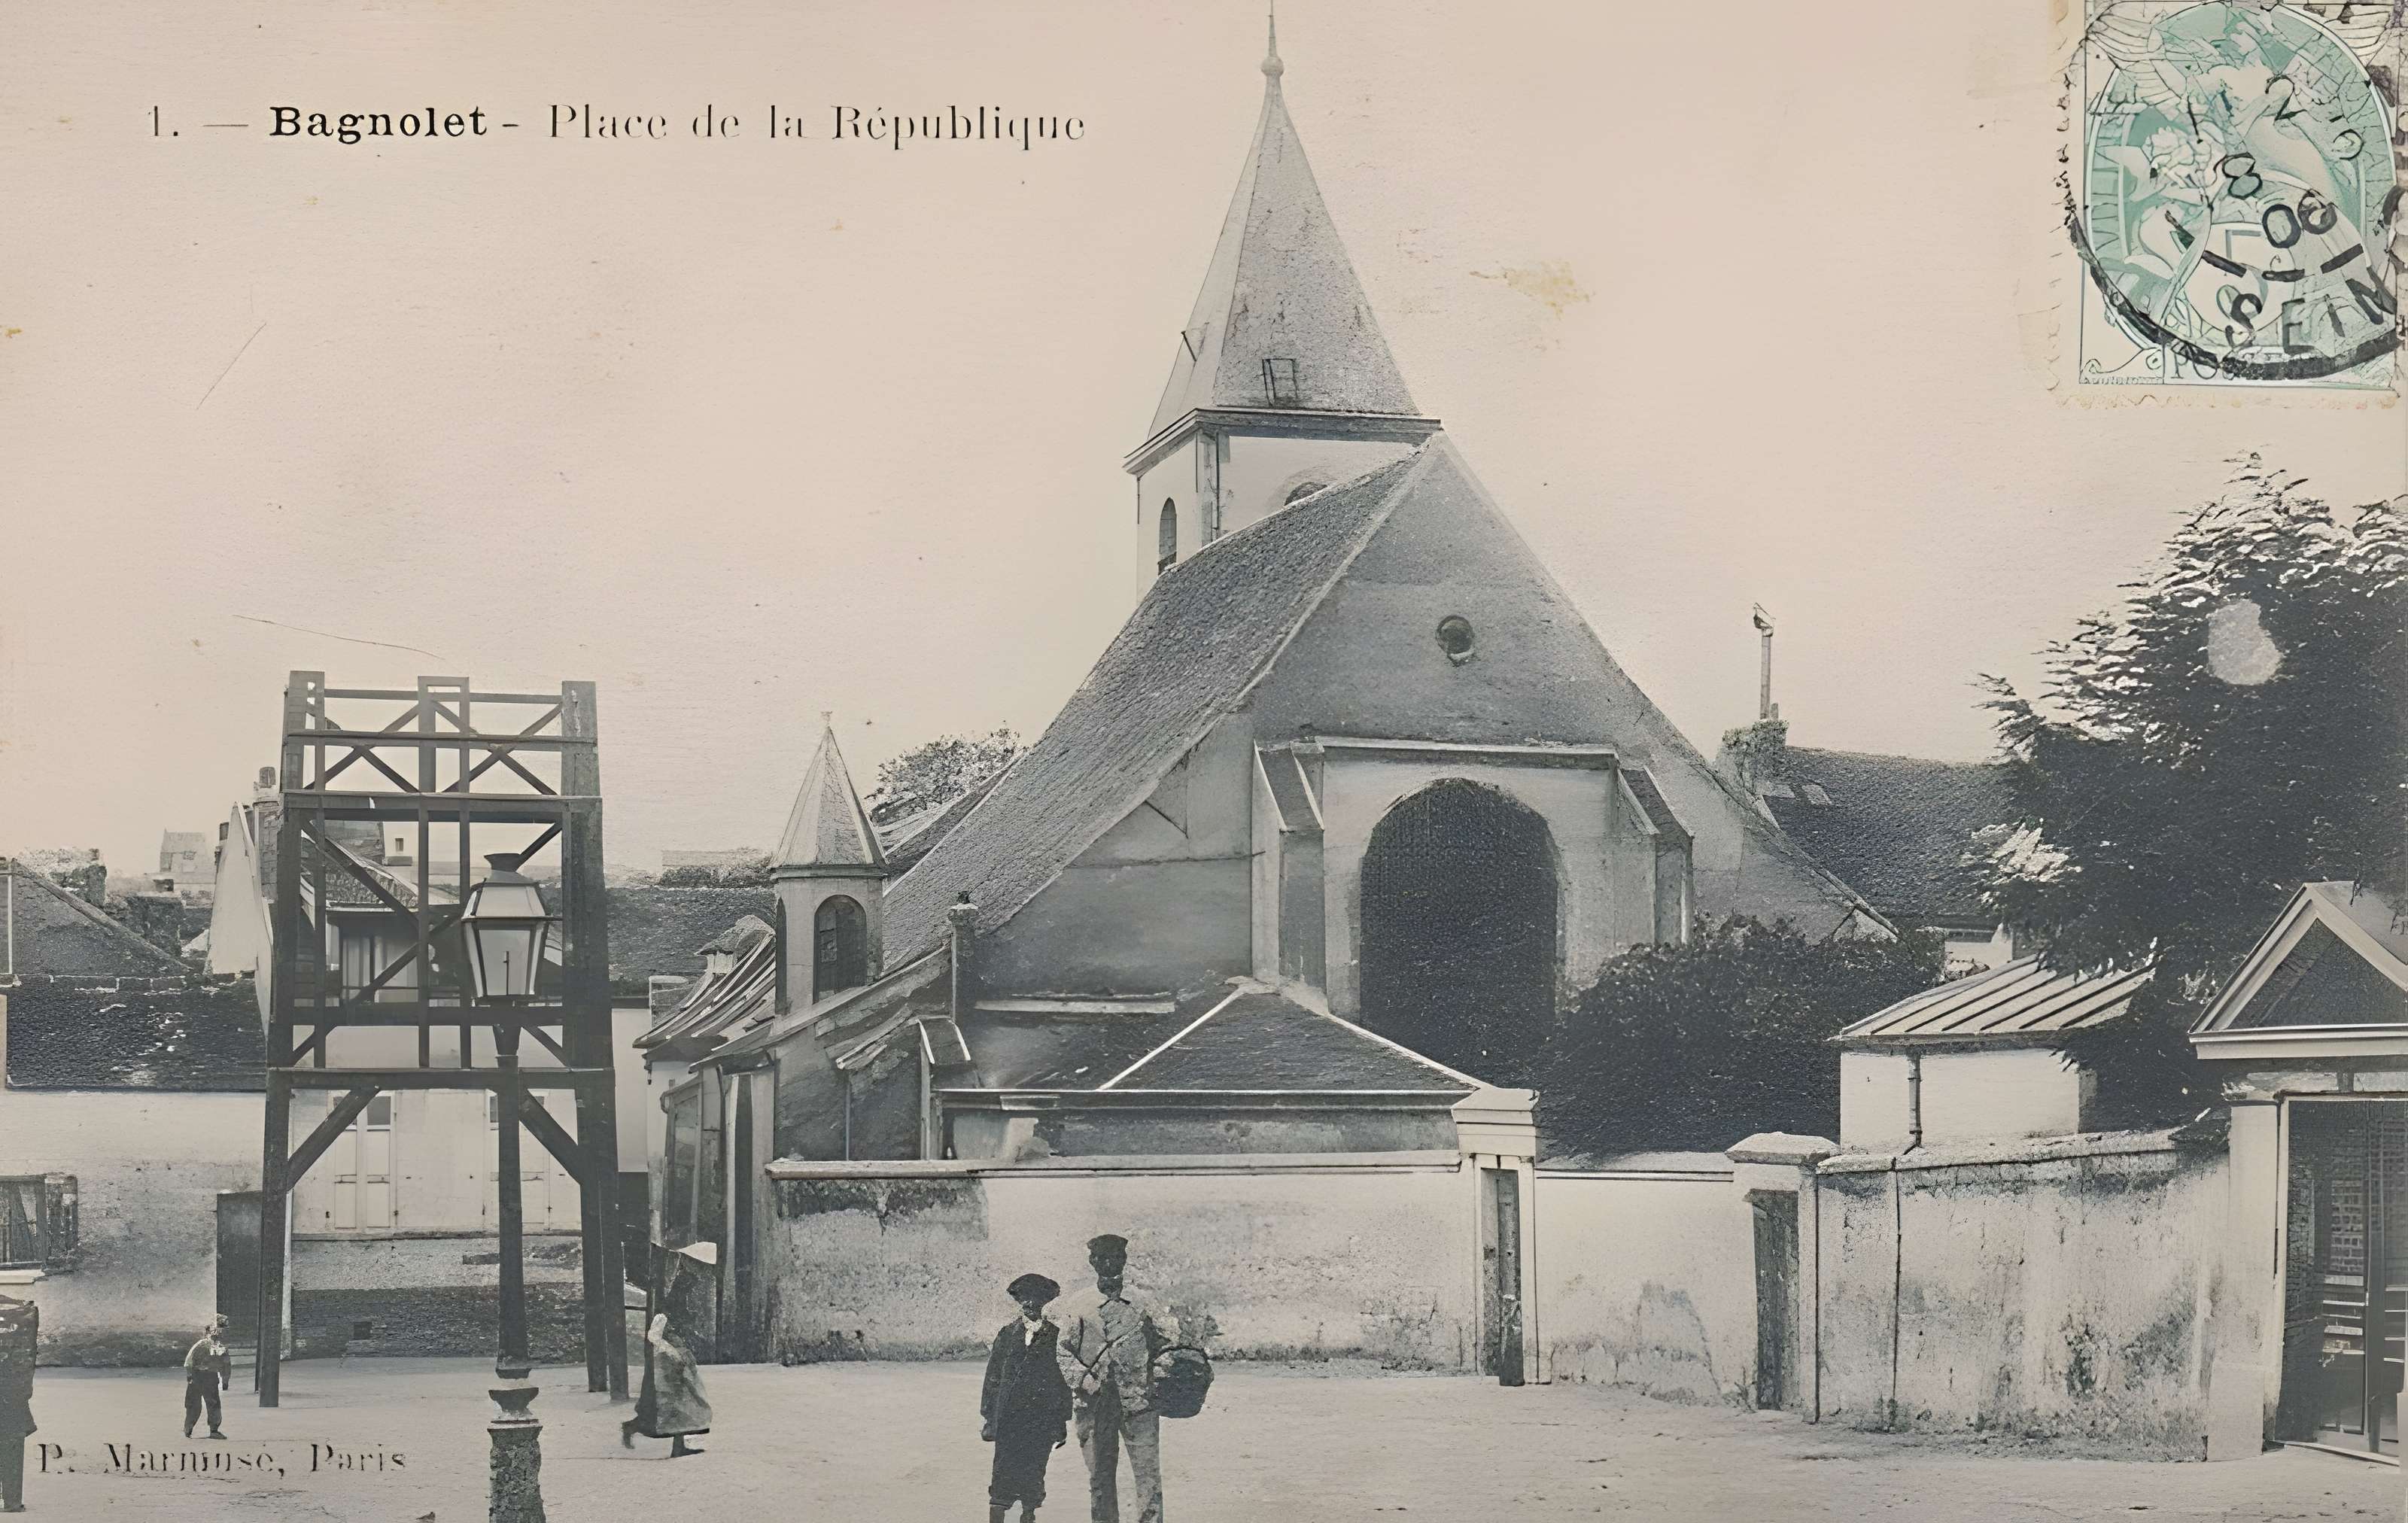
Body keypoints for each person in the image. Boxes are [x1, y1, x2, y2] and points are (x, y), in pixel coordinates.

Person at [1055, 1234, 1167, 1523]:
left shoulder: (1143, 1303)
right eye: (1102, 1258)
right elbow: (1063, 1352)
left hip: (1138, 1404)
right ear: (1092, 1262)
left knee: (1148, 1476)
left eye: (1116, 1258)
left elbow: (1164, 1347)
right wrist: (1086, 1382)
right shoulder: (1079, 1304)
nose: (1109, 1264)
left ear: (1124, 1260)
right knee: (1100, 1478)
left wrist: (1157, 1379)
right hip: (1093, 1406)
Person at [981, 1272, 1072, 1523]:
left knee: (1034, 1471)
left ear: (1044, 1303)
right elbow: (993, 1378)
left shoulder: (1055, 1336)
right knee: (1003, 1472)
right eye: (1025, 1299)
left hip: (1041, 1419)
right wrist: (989, 1417)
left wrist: (1061, 1421)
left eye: (1035, 1299)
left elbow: (1062, 1382)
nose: (1030, 1304)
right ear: (1020, 1302)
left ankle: (1028, 1515)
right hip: (1009, 1417)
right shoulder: (1007, 1334)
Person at [622, 1241, 714, 1458]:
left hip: (676, 1345)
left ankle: (677, 1445)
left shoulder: (686, 1280)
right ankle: (636, 1428)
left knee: (681, 1399)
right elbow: (666, 1315)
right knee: (670, 1400)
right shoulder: (681, 1284)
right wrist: (670, 1349)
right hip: (669, 1346)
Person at [0, 1293, 32, 1514]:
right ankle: (12, 1501)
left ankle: (12, 1500)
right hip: (12, 1393)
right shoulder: (19, 1311)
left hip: (11, 1392)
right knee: (11, 1442)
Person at [181, 1316, 231, 1439]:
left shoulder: (221, 1347)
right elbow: (189, 1361)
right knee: (194, 1404)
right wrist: (190, 1376)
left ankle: (214, 1430)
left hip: (210, 1377)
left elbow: (226, 1364)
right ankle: (188, 1427)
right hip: (197, 1376)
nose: (220, 1333)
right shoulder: (201, 1345)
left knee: (213, 1403)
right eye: (218, 1330)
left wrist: (225, 1380)